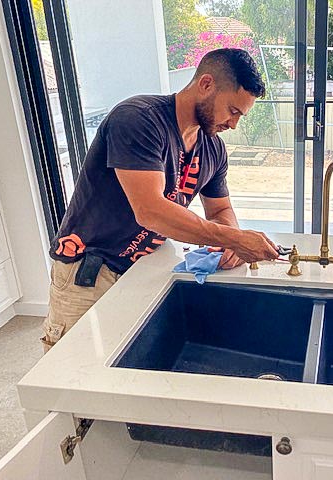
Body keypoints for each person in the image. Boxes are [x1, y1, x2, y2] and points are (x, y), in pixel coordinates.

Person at [41, 48, 279, 352]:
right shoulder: (138, 119)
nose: (233, 124)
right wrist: (234, 238)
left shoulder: (213, 149)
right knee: (68, 376)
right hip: (88, 273)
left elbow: (220, 209)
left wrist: (228, 242)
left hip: (144, 267)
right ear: (206, 84)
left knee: (128, 366)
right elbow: (150, 211)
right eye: (232, 111)